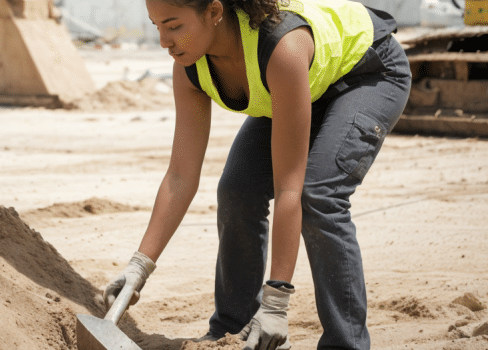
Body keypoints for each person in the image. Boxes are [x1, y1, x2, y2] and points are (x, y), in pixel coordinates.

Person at [103, 0, 411, 349]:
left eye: (173, 26)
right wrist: (139, 266)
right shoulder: (189, 68)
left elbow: (289, 188)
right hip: (301, 82)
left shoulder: (281, 47)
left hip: (365, 73)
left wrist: (277, 300)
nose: (163, 41)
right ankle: (230, 332)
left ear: (214, 13)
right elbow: (179, 176)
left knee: (318, 193)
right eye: (156, 26)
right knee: (236, 191)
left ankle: (346, 344)